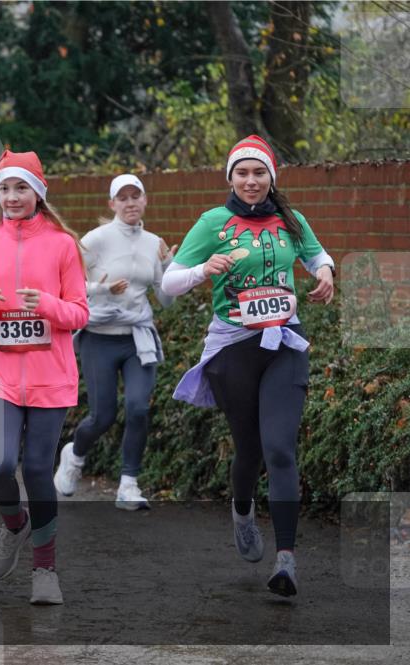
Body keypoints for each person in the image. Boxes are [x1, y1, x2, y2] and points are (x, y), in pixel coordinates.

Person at [161, 135, 335, 597]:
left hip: (283, 342)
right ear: (231, 178)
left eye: (259, 173)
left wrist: (324, 273)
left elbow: (317, 253)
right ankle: (242, 510)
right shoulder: (213, 223)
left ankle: (286, 561)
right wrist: (204, 270)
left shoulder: (289, 220)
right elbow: (169, 282)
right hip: (233, 349)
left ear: (271, 177)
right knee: (250, 450)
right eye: (243, 173)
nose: (251, 181)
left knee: (280, 448)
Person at [0, 150, 88, 605]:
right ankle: (16, 524)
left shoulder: (62, 244)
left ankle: (45, 569)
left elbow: (79, 313)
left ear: (38, 192)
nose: (13, 197)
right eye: (5, 189)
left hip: (50, 378)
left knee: (36, 470)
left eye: (21, 188)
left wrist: (48, 307)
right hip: (1, 376)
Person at [54, 174, 178, 510]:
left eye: (135, 196)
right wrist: (103, 289)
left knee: (138, 407)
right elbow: (69, 287)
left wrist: (168, 265)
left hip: (137, 338)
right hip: (99, 339)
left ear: (145, 200)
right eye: (122, 198)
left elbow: (166, 302)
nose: (130, 203)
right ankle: (74, 455)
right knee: (102, 416)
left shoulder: (155, 243)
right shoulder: (95, 240)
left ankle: (129, 484)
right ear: (112, 204)